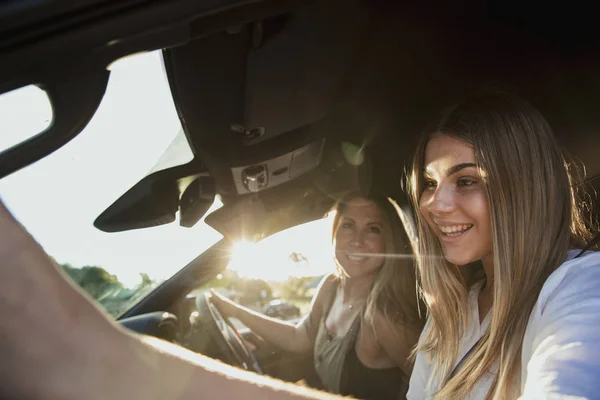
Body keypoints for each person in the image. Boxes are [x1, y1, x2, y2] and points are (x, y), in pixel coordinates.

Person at [406, 91, 600, 399]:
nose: (434, 204)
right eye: (430, 183)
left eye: (466, 181)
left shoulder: (583, 284)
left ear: (524, 188)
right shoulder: (451, 312)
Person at [211, 192, 425, 399]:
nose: (357, 241)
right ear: (334, 234)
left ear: (390, 241)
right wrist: (234, 311)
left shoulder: (385, 317)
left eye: (373, 229)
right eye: (348, 226)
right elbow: (300, 337)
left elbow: (434, 389)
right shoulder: (331, 286)